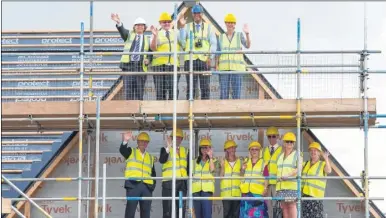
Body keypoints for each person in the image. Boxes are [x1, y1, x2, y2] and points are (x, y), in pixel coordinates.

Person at [179, 4, 217, 100]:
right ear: (192, 14)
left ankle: (204, 113)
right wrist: (182, 27)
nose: (197, 15)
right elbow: (182, 42)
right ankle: (190, 110)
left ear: (202, 14)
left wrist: (210, 57)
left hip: (205, 62)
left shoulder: (209, 28)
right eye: (195, 13)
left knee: (205, 87)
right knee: (191, 87)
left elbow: (213, 44)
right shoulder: (187, 27)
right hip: (190, 61)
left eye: (198, 13)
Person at [111, 13, 151, 100]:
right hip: (128, 66)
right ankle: (130, 112)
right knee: (128, 91)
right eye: (137, 25)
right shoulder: (129, 35)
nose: (139, 27)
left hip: (140, 68)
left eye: (141, 25)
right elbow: (122, 31)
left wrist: (148, 60)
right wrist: (118, 22)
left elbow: (150, 53)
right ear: (134, 27)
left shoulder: (148, 39)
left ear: (144, 27)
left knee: (139, 92)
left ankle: (137, 112)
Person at [119, 131, 156, 218]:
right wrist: (125, 140)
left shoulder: (150, 157)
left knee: (146, 213)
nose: (143, 143)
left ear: (148, 143)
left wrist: (152, 186)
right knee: (130, 211)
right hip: (133, 185)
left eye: (145, 141)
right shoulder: (131, 151)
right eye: (141, 141)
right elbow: (122, 150)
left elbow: (153, 174)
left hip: (147, 187)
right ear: (137, 142)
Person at [150, 12, 185, 100]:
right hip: (159, 67)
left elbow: (184, 44)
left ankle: (171, 113)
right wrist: (154, 36)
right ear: (160, 23)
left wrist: (183, 27)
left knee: (173, 91)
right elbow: (153, 48)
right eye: (164, 22)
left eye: (168, 22)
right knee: (160, 91)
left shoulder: (176, 32)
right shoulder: (156, 33)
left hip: (173, 66)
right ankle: (160, 113)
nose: (166, 24)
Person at [217, 13, 251, 99]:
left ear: (234, 24)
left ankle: (236, 111)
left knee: (236, 94)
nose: (230, 24)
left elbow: (247, 45)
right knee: (223, 94)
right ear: (225, 23)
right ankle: (223, 111)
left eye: (232, 22)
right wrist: (217, 65)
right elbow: (218, 53)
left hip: (237, 69)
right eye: (228, 22)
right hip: (224, 69)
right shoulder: (221, 37)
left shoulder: (239, 35)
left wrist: (247, 34)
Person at [159, 128, 189, 218]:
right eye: (175, 137)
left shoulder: (185, 151)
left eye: (179, 138)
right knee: (168, 210)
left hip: (182, 183)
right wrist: (168, 147)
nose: (177, 139)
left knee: (181, 209)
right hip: (169, 183)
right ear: (171, 138)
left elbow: (188, 168)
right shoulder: (165, 149)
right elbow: (162, 160)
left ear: (182, 139)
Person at [301, 142, 331, 218]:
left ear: (319, 153)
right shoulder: (305, 164)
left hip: (316, 197)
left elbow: (328, 171)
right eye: (311, 150)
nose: (313, 152)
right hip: (305, 196)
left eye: (315, 150)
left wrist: (326, 159)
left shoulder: (322, 164)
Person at [276, 132, 302, 218]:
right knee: (284, 208)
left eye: (291, 142)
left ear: (294, 144)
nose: (289, 144)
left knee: (291, 206)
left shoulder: (297, 154)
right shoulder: (280, 156)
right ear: (284, 143)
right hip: (281, 187)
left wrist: (288, 175)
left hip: (291, 187)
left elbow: (299, 168)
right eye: (287, 141)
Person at [239, 141, 268, 218]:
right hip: (246, 193)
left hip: (257, 194)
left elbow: (266, 177)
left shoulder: (263, 163)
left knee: (257, 215)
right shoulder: (245, 162)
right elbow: (241, 176)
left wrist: (265, 188)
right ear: (249, 151)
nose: (254, 151)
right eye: (252, 149)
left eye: (256, 149)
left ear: (260, 151)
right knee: (245, 215)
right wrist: (242, 169)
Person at [192, 138, 216, 218]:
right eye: (203, 147)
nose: (205, 149)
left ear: (210, 148)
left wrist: (211, 157)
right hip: (196, 191)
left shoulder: (214, 160)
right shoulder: (194, 161)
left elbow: (212, 170)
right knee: (198, 214)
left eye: (207, 147)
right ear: (200, 149)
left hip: (207, 191)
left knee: (207, 214)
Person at [262, 126, 283, 218]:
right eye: (269, 136)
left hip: (277, 183)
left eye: (273, 136)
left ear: (278, 136)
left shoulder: (282, 150)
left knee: (277, 207)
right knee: (267, 207)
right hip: (266, 183)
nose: (271, 138)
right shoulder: (264, 150)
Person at [219, 140, 241, 218]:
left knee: (236, 214)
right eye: (230, 148)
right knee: (227, 214)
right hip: (226, 194)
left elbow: (242, 177)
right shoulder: (222, 161)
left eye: (233, 148)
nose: (232, 150)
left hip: (237, 193)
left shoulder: (240, 161)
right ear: (226, 150)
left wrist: (243, 169)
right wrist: (222, 167)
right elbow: (221, 177)